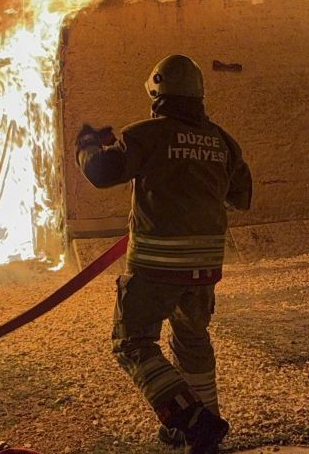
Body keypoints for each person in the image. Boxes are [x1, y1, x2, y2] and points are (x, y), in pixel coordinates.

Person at [75, 54, 252, 452]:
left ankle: (190, 420)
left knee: (132, 343)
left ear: (157, 93)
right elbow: (241, 196)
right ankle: (196, 429)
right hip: (204, 269)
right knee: (192, 341)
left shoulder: (146, 135)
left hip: (156, 268)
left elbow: (102, 173)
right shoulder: (223, 140)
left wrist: (86, 145)